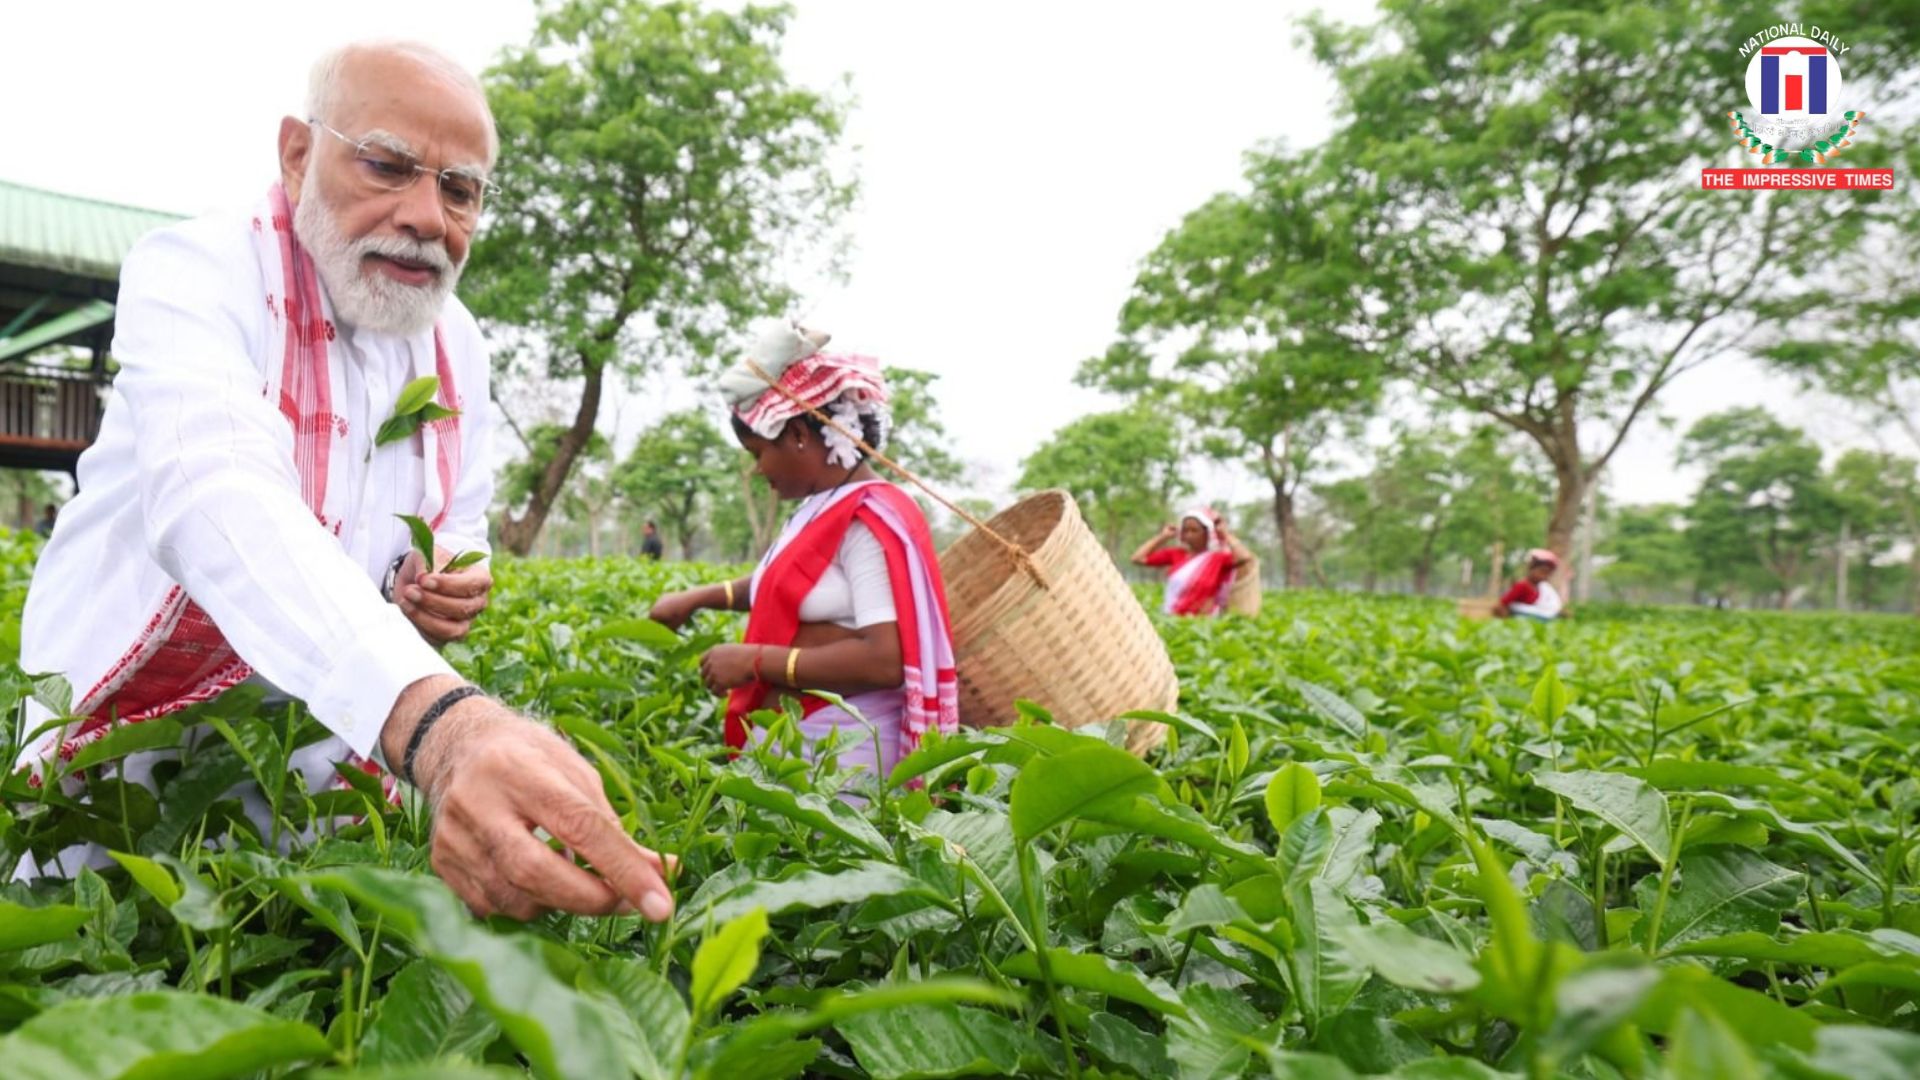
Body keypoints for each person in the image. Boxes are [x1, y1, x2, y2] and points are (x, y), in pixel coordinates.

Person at [11, 41, 673, 924]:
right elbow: (216, 490)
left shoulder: (457, 342)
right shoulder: (200, 271)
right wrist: (444, 727)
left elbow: (461, 513)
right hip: (131, 759)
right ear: (297, 153)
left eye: (460, 189)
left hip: (324, 767)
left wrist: (452, 579)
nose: (427, 217)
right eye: (388, 165)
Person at [649, 322, 958, 783]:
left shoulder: (866, 519)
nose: (758, 470)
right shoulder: (822, 508)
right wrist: (697, 598)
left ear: (796, 434)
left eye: (758, 452)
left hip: (848, 761)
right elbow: (786, 587)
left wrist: (754, 660)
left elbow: (883, 660)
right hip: (808, 751)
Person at [1131, 509, 1252, 617]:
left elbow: (1245, 557)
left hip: (1203, 622)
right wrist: (1163, 537)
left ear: (1207, 533)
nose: (1189, 535)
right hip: (1173, 618)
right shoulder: (1175, 554)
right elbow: (1138, 558)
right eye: (1185, 531)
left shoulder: (1218, 559)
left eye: (1194, 531)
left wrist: (1225, 534)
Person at [1494, 549, 1565, 620]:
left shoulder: (1541, 588)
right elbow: (1502, 604)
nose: (1544, 576)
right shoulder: (1522, 586)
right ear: (1531, 568)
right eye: (1542, 571)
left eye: (1548, 574)